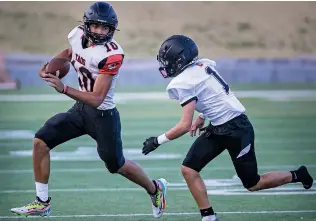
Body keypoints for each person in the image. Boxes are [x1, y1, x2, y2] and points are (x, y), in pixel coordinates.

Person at [10, 2, 167, 218]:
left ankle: (155, 188)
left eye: (106, 28)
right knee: (40, 141)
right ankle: (42, 202)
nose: (101, 32)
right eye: (96, 26)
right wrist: (50, 66)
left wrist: (63, 87)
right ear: (86, 25)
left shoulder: (112, 54)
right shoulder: (76, 35)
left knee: (116, 165)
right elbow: (69, 52)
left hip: (103, 116)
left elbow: (97, 98)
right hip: (80, 110)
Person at [142, 35, 313, 221]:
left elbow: (184, 125)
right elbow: (213, 94)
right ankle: (208, 217)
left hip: (237, 129)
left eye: (168, 61)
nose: (166, 65)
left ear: (180, 60)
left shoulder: (183, 81)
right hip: (218, 127)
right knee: (189, 169)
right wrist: (203, 116)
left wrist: (157, 141)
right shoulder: (201, 66)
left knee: (253, 183)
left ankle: (297, 175)